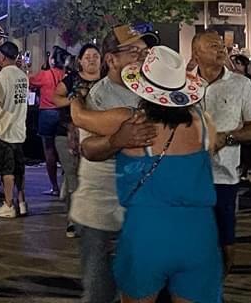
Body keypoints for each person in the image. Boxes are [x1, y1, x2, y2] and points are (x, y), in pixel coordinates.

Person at [73, 46, 222, 303]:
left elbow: (83, 129)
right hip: (199, 233)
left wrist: (77, 97)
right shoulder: (204, 123)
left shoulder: (130, 122)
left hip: (146, 233)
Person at [68, 24, 158, 303]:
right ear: (112, 59)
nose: (142, 57)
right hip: (103, 212)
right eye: (133, 51)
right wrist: (116, 140)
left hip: (145, 210)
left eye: (145, 51)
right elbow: (89, 149)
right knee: (101, 293)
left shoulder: (154, 92)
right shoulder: (98, 97)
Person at [192, 30, 251, 279]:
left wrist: (227, 137)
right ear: (196, 53)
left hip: (224, 177)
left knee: (225, 240)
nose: (221, 50)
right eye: (213, 46)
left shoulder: (241, 84)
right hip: (186, 175)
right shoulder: (181, 84)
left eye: (221, 46)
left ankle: (217, 286)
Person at [52, 43, 102, 237]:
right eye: (87, 56)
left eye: (95, 55)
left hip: (96, 135)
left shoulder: (106, 82)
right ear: (79, 61)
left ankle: (93, 220)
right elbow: (55, 97)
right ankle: (73, 220)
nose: (91, 59)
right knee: (73, 177)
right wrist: (73, 100)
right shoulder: (71, 80)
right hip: (68, 135)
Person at [0, 41, 30, 218]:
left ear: (3, 56)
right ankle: (21, 202)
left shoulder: (2, 76)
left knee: (7, 171)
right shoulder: (22, 76)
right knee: (19, 170)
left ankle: (8, 204)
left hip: (4, 129)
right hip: (20, 128)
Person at [28, 49, 66, 196]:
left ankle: (54, 187)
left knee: (49, 151)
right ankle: (65, 185)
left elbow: (29, 80)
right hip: (62, 113)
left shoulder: (45, 75)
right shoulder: (65, 75)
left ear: (52, 60)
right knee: (64, 150)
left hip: (47, 113)